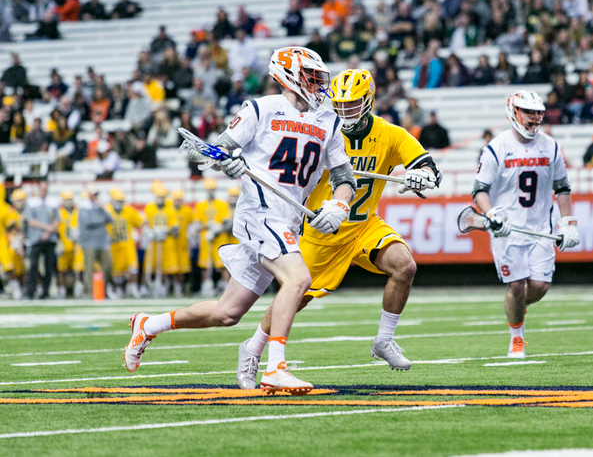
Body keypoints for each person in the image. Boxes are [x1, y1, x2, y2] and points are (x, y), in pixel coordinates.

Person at [124, 46, 355, 396]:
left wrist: (339, 205)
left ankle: (148, 325)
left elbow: (344, 179)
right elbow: (211, 151)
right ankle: (276, 368)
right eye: (311, 77)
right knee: (299, 279)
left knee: (227, 313)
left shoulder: (329, 121)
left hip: (289, 219)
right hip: (259, 211)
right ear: (289, 76)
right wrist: (226, 162)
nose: (319, 85)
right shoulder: (261, 108)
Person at [236, 70, 441, 387]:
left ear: (369, 101)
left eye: (352, 104)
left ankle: (384, 340)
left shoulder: (390, 134)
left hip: (363, 226)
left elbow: (426, 165)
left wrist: (422, 175)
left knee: (405, 266)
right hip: (323, 231)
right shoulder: (323, 129)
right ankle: (253, 347)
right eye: (340, 104)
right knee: (296, 296)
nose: (345, 111)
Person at [473, 90, 580, 358]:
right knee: (516, 285)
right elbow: (479, 190)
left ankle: (518, 306)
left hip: (540, 229)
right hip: (507, 231)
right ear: (514, 112)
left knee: (540, 286)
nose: (534, 118)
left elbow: (562, 187)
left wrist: (567, 222)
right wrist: (492, 214)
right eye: (528, 112)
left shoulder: (550, 146)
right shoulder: (497, 147)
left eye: (537, 112)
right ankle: (516, 339)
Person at [194, 178, 231, 296]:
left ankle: (225, 286)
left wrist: (217, 228)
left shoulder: (222, 204)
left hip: (220, 238)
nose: (210, 191)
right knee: (205, 264)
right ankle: (206, 286)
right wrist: (207, 226)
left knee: (223, 264)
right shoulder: (201, 205)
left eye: (212, 189)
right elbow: (197, 224)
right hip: (206, 238)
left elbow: (227, 223)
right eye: (209, 189)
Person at [142, 182, 180, 297]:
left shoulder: (170, 209)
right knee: (149, 266)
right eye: (159, 197)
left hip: (166, 243)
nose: (160, 199)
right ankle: (145, 287)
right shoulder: (149, 208)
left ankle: (163, 287)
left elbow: (176, 228)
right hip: (152, 243)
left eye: (162, 197)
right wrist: (149, 231)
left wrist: (165, 231)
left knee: (165, 268)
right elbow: (144, 223)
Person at [78, 185, 114, 299]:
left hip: (102, 242)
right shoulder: (84, 206)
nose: (95, 196)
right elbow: (87, 222)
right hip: (89, 242)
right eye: (94, 194)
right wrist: (101, 220)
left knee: (108, 265)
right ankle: (90, 292)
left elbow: (110, 219)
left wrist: (101, 208)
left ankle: (103, 290)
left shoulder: (99, 206)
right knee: (89, 268)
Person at [24, 181, 58, 299]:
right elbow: (30, 220)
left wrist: (48, 232)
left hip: (50, 238)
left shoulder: (52, 202)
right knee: (33, 266)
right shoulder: (32, 202)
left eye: (46, 189)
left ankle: (45, 292)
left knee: (49, 267)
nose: (44, 191)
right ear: (38, 189)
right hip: (35, 238)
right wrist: (46, 228)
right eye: (43, 189)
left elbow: (57, 219)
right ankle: (31, 292)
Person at [107, 189, 143, 298]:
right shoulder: (107, 211)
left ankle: (133, 287)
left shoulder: (129, 211)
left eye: (121, 201)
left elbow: (140, 222)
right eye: (117, 201)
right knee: (117, 272)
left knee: (133, 267)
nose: (119, 203)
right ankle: (119, 289)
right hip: (114, 245)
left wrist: (137, 233)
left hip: (127, 244)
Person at [56, 191, 83, 299]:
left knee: (78, 268)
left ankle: (77, 287)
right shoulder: (59, 212)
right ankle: (62, 289)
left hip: (77, 245)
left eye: (70, 199)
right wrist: (57, 241)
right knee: (61, 269)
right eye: (66, 200)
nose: (68, 202)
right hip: (63, 243)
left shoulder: (78, 212)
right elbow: (55, 227)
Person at [171, 189, 195, 298]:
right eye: (176, 200)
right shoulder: (169, 210)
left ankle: (180, 287)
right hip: (170, 244)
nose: (178, 202)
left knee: (182, 268)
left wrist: (191, 235)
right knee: (171, 268)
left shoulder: (187, 211)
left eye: (180, 200)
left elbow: (193, 224)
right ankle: (172, 287)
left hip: (183, 243)